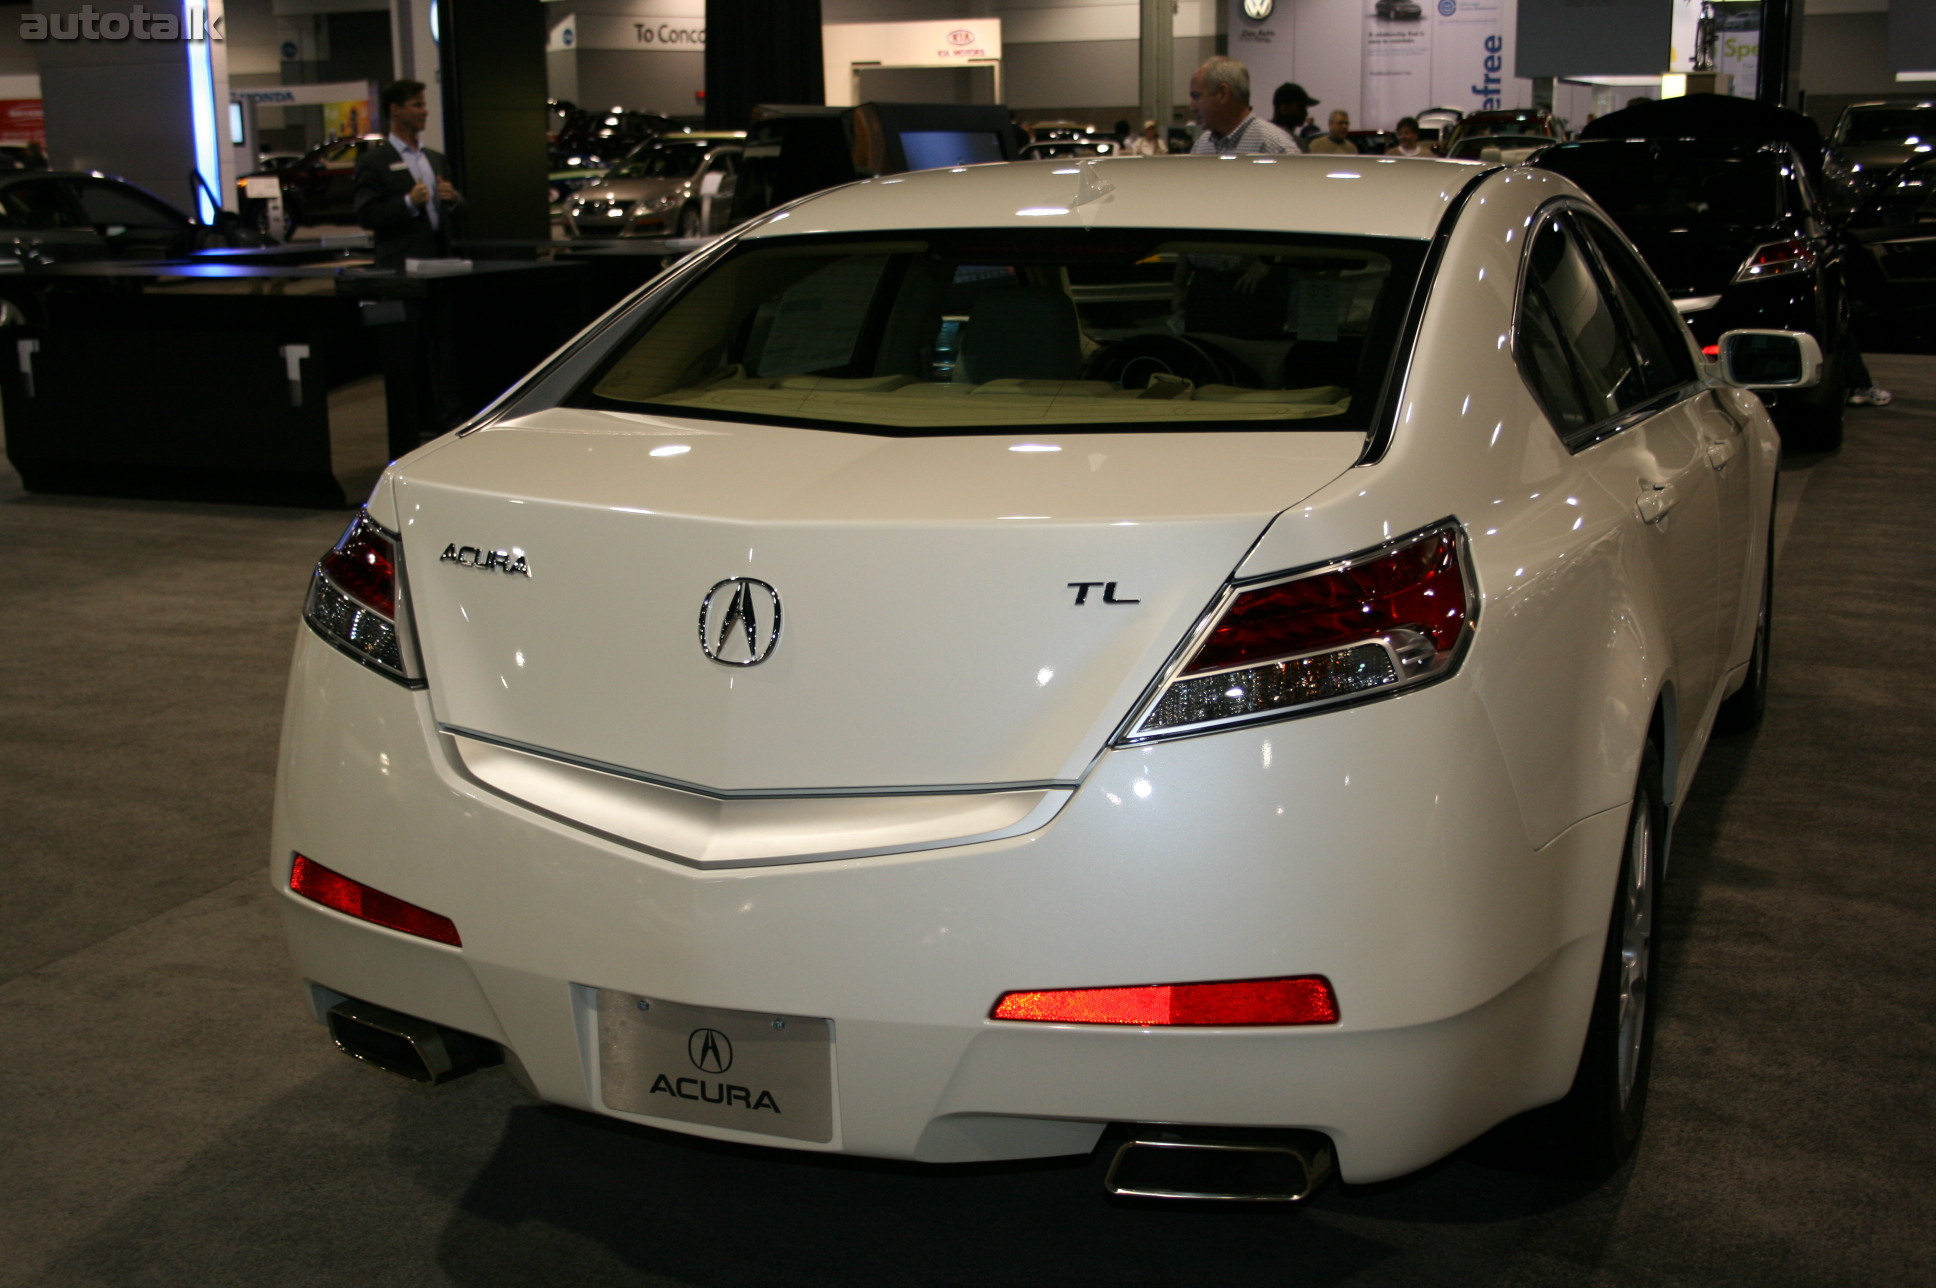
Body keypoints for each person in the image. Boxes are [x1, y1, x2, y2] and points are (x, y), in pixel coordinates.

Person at [354, 79, 463, 271]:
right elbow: (367, 215)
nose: (425, 112)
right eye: (417, 105)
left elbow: (460, 210)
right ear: (396, 109)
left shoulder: (436, 159)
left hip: (442, 263)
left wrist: (454, 199)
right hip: (400, 267)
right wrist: (409, 203)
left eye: (425, 105)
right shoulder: (373, 162)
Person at [1188, 57, 1300, 155]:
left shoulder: (1276, 148)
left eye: (1196, 96)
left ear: (1223, 93)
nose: (1192, 107)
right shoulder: (1202, 146)